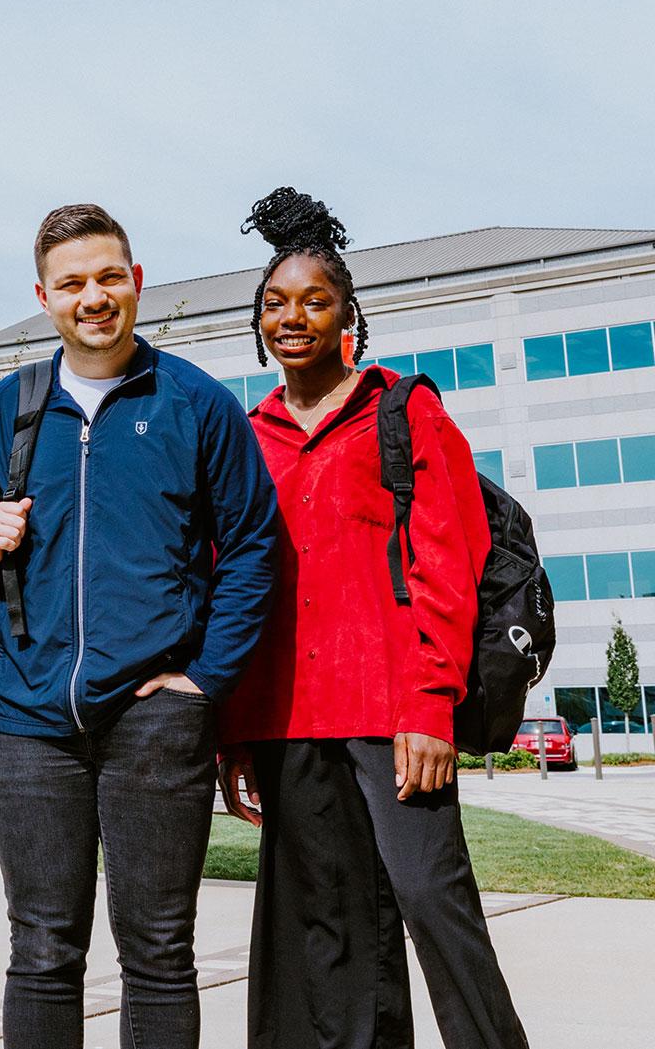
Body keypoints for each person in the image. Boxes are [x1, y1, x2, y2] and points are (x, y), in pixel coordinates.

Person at [0, 203, 279, 1049]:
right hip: (27, 717)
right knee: (42, 949)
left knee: (159, 950)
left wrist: (205, 681)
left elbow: (256, 544)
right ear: (45, 297)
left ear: (137, 282)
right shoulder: (0, 410)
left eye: (109, 276)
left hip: (157, 714)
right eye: (74, 282)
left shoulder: (195, 403)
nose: (94, 296)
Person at [217, 187, 529, 1048]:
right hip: (289, 723)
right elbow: (239, 587)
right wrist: (236, 731)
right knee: (332, 931)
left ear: (347, 315)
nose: (294, 317)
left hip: (395, 714)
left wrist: (430, 704)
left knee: (434, 902)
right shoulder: (248, 438)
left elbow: (448, 564)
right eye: (275, 304)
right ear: (258, 321)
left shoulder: (404, 411)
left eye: (315, 301)